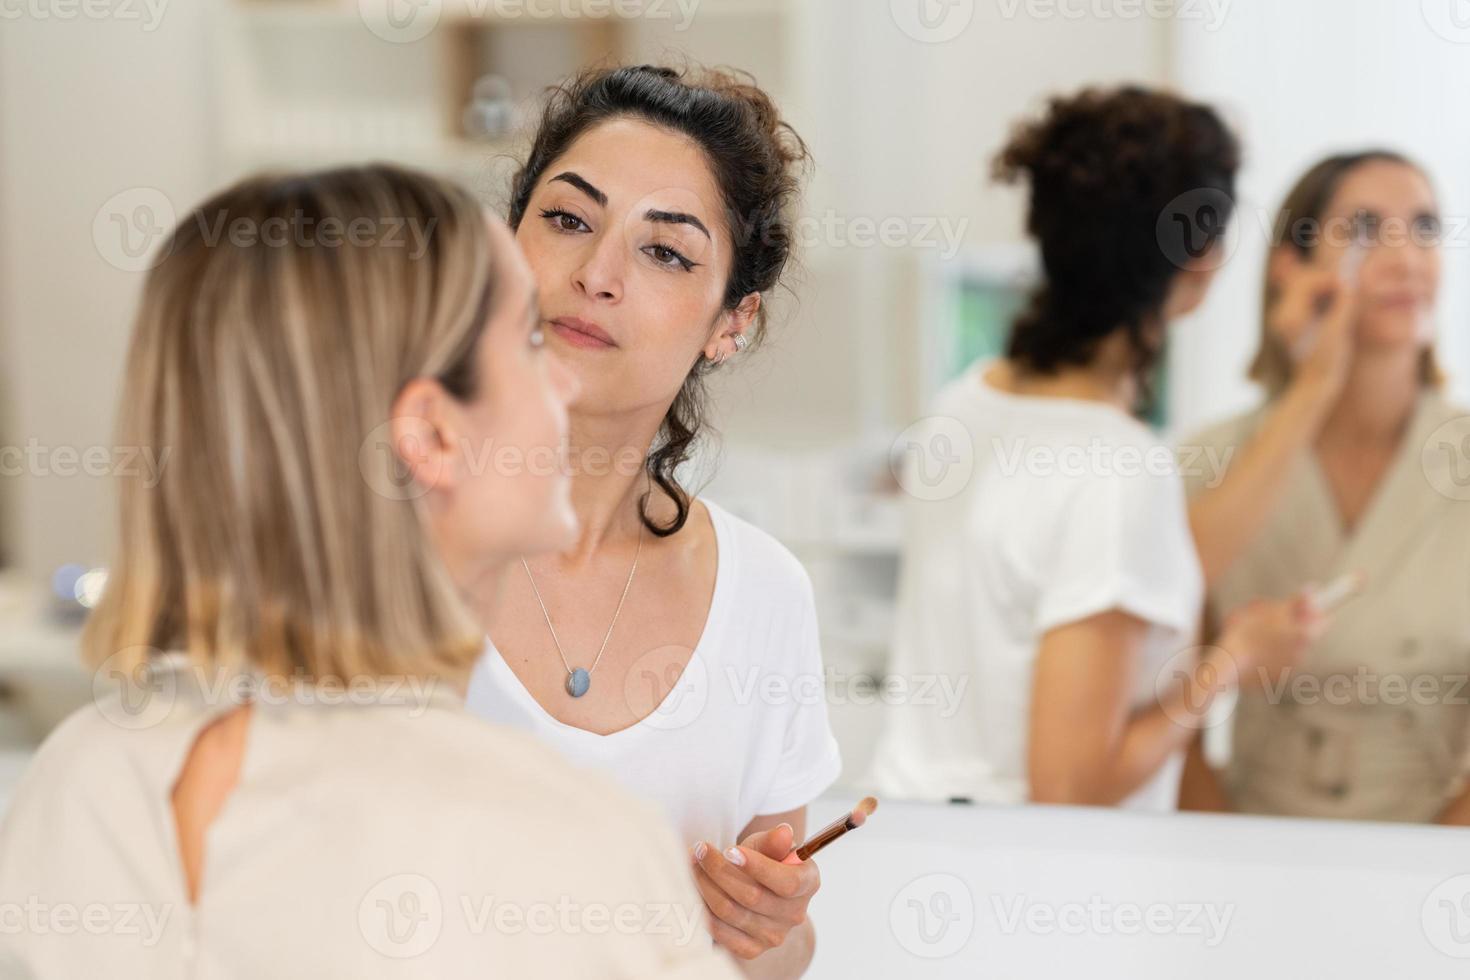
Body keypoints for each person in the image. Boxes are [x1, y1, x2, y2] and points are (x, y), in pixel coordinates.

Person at [0, 164, 741, 979]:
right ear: (429, 435)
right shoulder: (570, 848)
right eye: (530, 340)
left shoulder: (81, 781)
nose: (564, 379)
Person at [462, 64, 841, 974]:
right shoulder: (365, 541)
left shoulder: (764, 597)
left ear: (731, 322)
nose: (596, 275)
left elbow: (772, 955)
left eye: (665, 252)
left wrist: (766, 925)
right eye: (566, 220)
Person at [868, 86, 1321, 811]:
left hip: (919, 842)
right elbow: (1072, 785)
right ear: (1202, 260)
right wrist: (1226, 666)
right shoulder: (1118, 469)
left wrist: (1310, 391)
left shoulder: (967, 403)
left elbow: (1127, 572)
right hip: (1031, 888)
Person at [1179, 150, 1470, 824]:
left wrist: (1423, 875)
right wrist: (1228, 870)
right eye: (1366, 230)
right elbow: (1170, 722)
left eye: (1425, 228)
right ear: (1293, 268)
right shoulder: (1211, 465)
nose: (1407, 258)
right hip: (1247, 845)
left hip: (1438, 858)